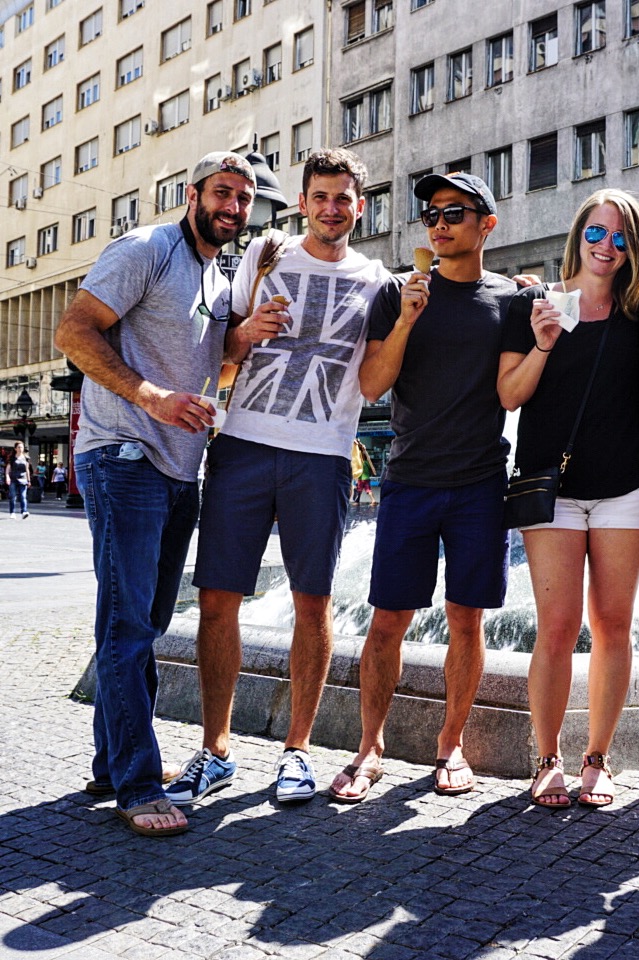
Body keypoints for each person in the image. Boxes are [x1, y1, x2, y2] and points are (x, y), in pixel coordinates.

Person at [166, 148, 390, 807]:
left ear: (361, 205)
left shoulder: (378, 280)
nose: (331, 208)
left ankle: (297, 753)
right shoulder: (266, 255)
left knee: (312, 604)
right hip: (242, 446)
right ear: (303, 201)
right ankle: (215, 749)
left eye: (343, 198)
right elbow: (221, 360)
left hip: (322, 456)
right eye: (319, 196)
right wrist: (248, 335)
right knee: (216, 599)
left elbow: (376, 381)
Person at [55, 151, 256, 836]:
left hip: (178, 469)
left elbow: (206, 357)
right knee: (128, 625)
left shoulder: (217, 270)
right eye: (222, 193)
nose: (232, 207)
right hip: (125, 456)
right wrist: (148, 396)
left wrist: (241, 342)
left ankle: (114, 763)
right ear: (191, 192)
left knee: (143, 623)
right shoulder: (147, 248)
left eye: (244, 198)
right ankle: (138, 786)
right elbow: (72, 330)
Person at [327, 172, 516, 803]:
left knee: (467, 619)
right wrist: (408, 317)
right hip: (410, 480)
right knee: (389, 619)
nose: (438, 223)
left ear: (486, 225)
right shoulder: (396, 295)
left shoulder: (509, 300)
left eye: (455, 212)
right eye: (431, 213)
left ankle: (451, 744)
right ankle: (369, 747)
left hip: (481, 483)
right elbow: (372, 385)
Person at [497, 189, 639, 808]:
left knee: (613, 625)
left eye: (621, 237)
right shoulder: (535, 305)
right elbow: (509, 396)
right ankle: (546, 758)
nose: (607, 247)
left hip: (628, 488)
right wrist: (542, 343)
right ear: (577, 236)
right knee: (557, 627)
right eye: (597, 233)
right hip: (552, 488)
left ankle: (598, 757)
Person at [6, 440, 32, 519]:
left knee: (23, 496)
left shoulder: (26, 458)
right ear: (15, 449)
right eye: (19, 447)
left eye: (22, 447)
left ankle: (24, 511)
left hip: (23, 479)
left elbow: (27, 469)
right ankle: (12, 512)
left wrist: (29, 480)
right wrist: (7, 477)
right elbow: (8, 468)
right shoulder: (12, 458)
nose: (21, 449)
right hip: (13, 478)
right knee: (13, 496)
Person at [351, 439, 377, 506]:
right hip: (367, 478)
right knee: (368, 490)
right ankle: (373, 500)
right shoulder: (366, 462)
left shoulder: (359, 462)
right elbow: (371, 468)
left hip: (360, 478)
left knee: (359, 490)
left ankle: (357, 502)